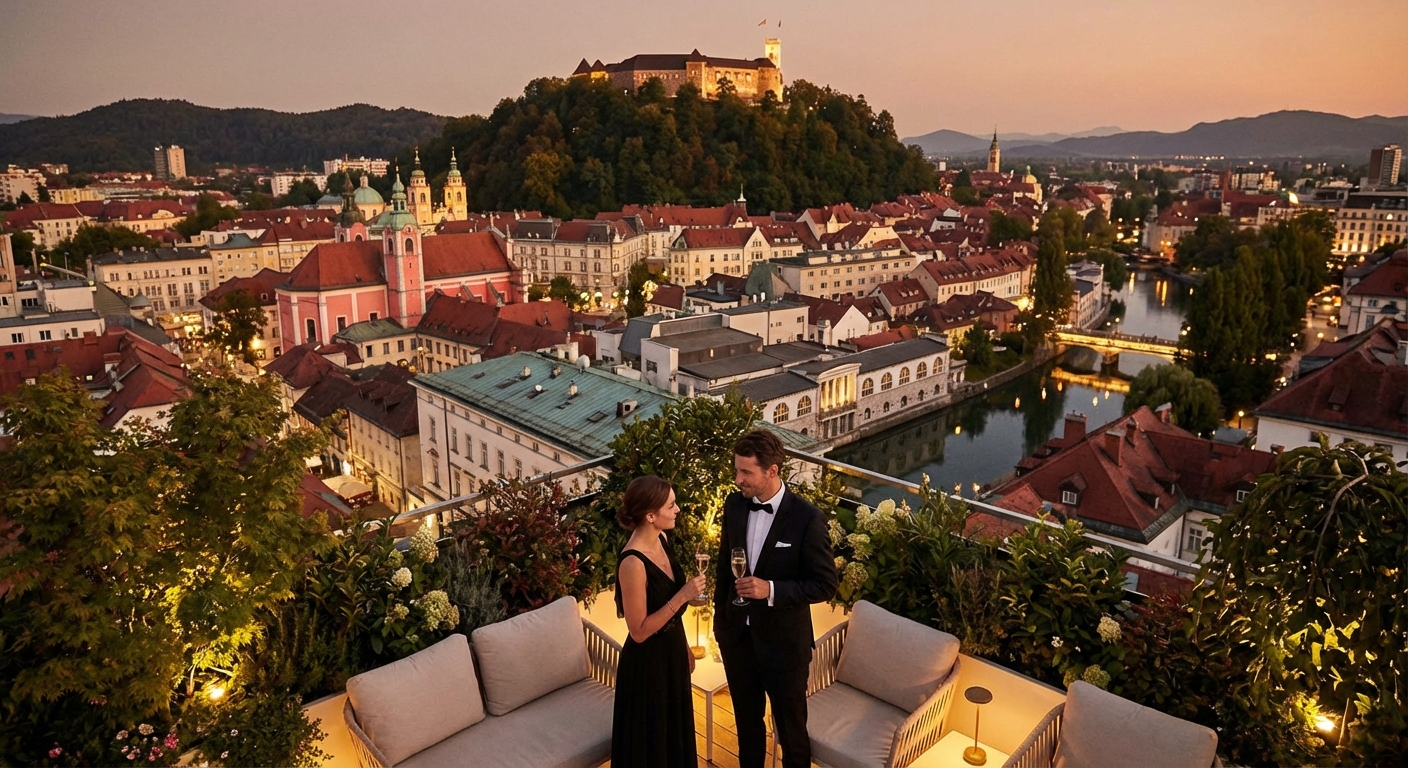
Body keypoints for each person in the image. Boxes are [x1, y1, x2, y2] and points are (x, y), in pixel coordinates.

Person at [714, 430, 839, 768]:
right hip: (738, 639)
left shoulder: (807, 519)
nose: (738, 479)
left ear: (772, 471)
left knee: (792, 733)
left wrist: (770, 590)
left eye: (746, 473)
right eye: (737, 470)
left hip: (784, 647)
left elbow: (826, 585)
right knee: (747, 728)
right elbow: (724, 567)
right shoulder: (734, 505)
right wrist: (720, 623)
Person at [611, 475, 705, 768]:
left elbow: (671, 615)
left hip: (672, 652)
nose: (677, 510)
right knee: (652, 745)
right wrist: (683, 596)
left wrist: (686, 647)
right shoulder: (632, 564)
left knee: (674, 736)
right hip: (647, 667)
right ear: (650, 516)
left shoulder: (663, 539)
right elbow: (638, 632)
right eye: (671, 505)